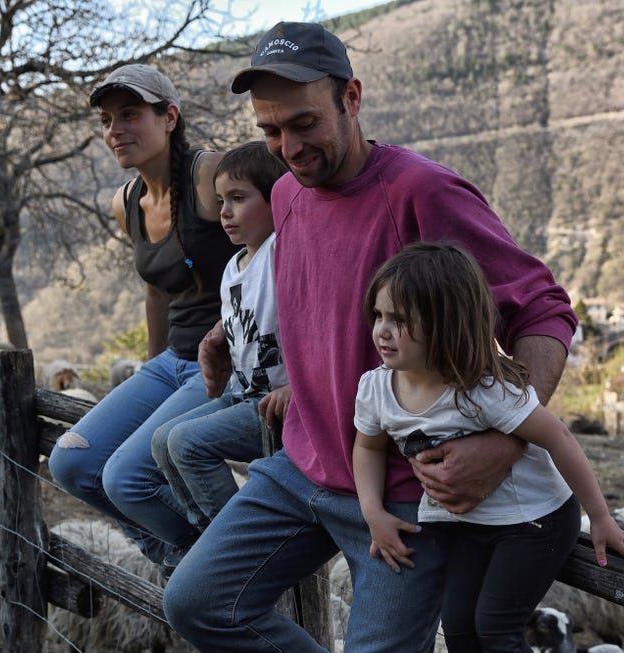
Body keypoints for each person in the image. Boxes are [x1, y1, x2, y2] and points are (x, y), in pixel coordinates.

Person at [162, 21, 579, 652]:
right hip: (301, 467)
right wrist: (233, 336)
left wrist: (504, 441)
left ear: (351, 99)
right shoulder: (286, 196)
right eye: (270, 131)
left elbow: (542, 308)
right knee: (196, 604)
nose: (288, 147)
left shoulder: (421, 191)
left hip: (409, 498)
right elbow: (312, 301)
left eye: (305, 123)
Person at [353, 241, 624, 652]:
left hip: (534, 520)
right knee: (456, 626)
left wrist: (599, 517)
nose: (381, 330)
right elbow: (367, 448)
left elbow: (559, 438)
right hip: (472, 525)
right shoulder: (376, 389)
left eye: (398, 320)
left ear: (445, 324)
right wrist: (373, 513)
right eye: (378, 315)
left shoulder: (483, 390)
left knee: (495, 629)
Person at [46, 64, 239, 572]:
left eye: (130, 114)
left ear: (169, 116)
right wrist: (155, 372)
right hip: (175, 360)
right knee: (71, 463)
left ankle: (213, 566)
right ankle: (182, 555)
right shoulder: (126, 202)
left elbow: (279, 247)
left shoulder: (209, 175)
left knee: (124, 477)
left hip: (230, 358)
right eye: (107, 120)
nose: (115, 130)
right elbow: (156, 290)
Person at [151, 141, 291, 541]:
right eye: (220, 200)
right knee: (163, 441)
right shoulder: (233, 266)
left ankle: (239, 540)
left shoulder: (281, 250)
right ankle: (207, 534)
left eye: (238, 198)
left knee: (188, 444)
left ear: (276, 198)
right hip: (242, 392)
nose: (225, 212)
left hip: (275, 402)